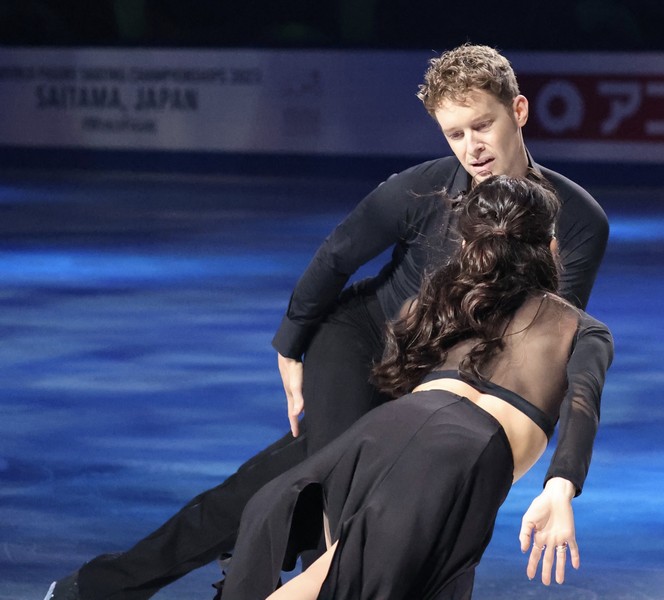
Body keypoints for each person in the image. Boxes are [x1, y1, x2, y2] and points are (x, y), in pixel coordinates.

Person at [45, 44, 608, 600]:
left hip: (443, 377)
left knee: (276, 482)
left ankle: (102, 586)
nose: (472, 147)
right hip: (360, 342)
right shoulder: (422, 187)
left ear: (518, 111)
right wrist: (291, 345)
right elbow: (339, 254)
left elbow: (545, 335)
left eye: (482, 125)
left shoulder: (576, 219)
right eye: (454, 134)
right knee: (338, 497)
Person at [219, 176, 613, 599]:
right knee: (338, 580)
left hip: (383, 433)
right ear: (552, 248)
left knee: (337, 569)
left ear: (469, 246)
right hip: (460, 455)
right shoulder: (579, 328)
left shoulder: (445, 303)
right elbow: (582, 404)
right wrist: (560, 487)